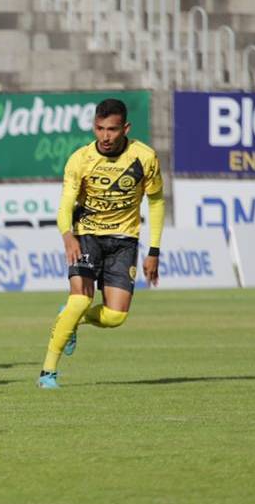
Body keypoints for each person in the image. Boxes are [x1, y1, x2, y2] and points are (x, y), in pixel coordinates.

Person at [38, 99, 164, 389]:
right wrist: (67, 235)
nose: (105, 136)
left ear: (125, 128)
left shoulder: (144, 158)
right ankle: (48, 373)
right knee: (81, 299)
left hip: (124, 241)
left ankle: (70, 321)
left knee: (115, 317)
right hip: (86, 236)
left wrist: (154, 250)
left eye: (112, 129)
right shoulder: (80, 159)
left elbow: (156, 201)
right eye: (99, 128)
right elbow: (65, 204)